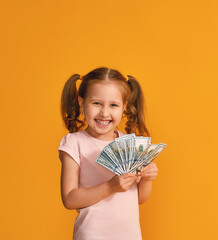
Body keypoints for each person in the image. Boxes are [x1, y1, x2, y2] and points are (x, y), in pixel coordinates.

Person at [57, 67, 158, 240]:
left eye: (113, 105)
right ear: (82, 103)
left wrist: (147, 178)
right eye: (96, 103)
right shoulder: (74, 143)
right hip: (92, 235)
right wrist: (110, 187)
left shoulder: (130, 144)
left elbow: (139, 198)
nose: (104, 112)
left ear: (124, 107)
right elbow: (69, 199)